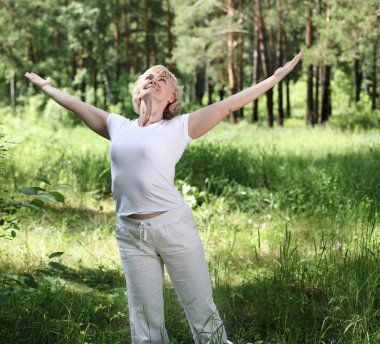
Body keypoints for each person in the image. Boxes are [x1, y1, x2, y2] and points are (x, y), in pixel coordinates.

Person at [25, 50, 303, 344]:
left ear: (171, 97)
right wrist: (47, 88)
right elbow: (76, 105)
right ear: (138, 90)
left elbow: (228, 105)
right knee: (144, 324)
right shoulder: (118, 125)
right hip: (130, 233)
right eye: (149, 76)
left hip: (173, 229)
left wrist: (274, 79)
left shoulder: (179, 126)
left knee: (202, 313)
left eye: (163, 79)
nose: (154, 80)